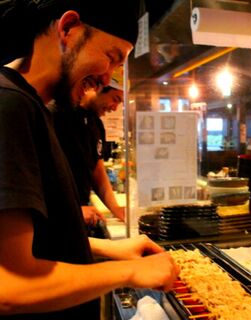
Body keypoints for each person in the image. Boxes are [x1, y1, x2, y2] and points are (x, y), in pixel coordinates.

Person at [0, 1, 179, 319]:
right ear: (68, 29)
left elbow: (37, 241)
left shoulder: (32, 105)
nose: (106, 78)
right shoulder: (9, 105)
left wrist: (108, 249)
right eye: (111, 57)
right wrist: (128, 274)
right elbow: (9, 284)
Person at [52, 69, 125, 233]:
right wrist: (74, 210)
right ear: (97, 88)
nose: (114, 108)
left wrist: (116, 208)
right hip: (57, 219)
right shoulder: (58, 114)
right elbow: (44, 175)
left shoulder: (96, 125)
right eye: (115, 99)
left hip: (81, 216)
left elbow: (97, 171)